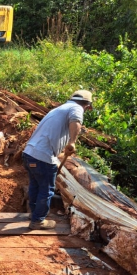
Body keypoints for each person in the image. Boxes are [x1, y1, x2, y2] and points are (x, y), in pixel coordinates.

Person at [22, 90, 93, 229]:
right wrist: (72, 142)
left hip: (29, 153)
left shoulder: (60, 109)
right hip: (43, 156)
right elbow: (76, 121)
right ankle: (38, 221)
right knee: (46, 190)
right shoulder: (76, 108)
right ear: (87, 105)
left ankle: (34, 214)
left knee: (35, 185)